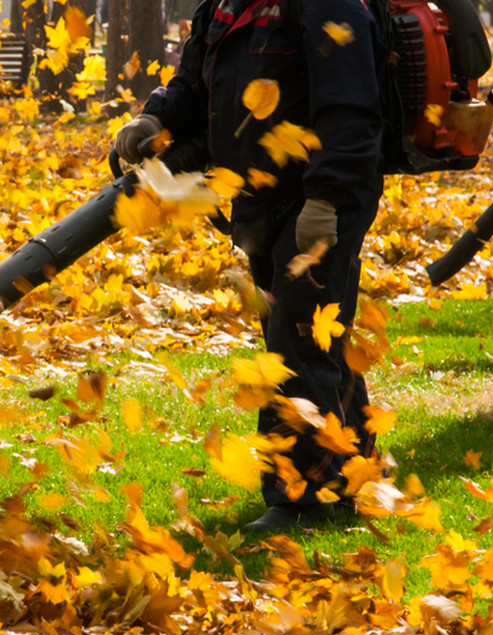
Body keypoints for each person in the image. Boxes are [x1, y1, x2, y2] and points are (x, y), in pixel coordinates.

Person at [114, 0, 385, 530]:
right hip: (263, 197)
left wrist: (326, 199)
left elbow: (350, 107)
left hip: (321, 195)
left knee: (297, 341)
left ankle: (303, 502)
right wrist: (156, 115)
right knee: (310, 337)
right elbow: (194, 83)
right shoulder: (225, 5)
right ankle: (352, 474)